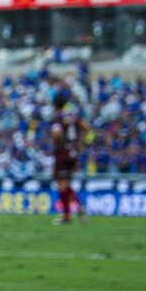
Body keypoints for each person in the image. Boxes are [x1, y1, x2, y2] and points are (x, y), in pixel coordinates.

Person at [51, 91, 90, 224]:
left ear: (55, 105)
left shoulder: (57, 118)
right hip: (73, 152)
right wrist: (80, 143)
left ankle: (67, 215)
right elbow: (86, 126)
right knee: (66, 183)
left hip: (63, 152)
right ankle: (79, 209)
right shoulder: (73, 115)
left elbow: (57, 134)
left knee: (61, 183)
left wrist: (57, 145)